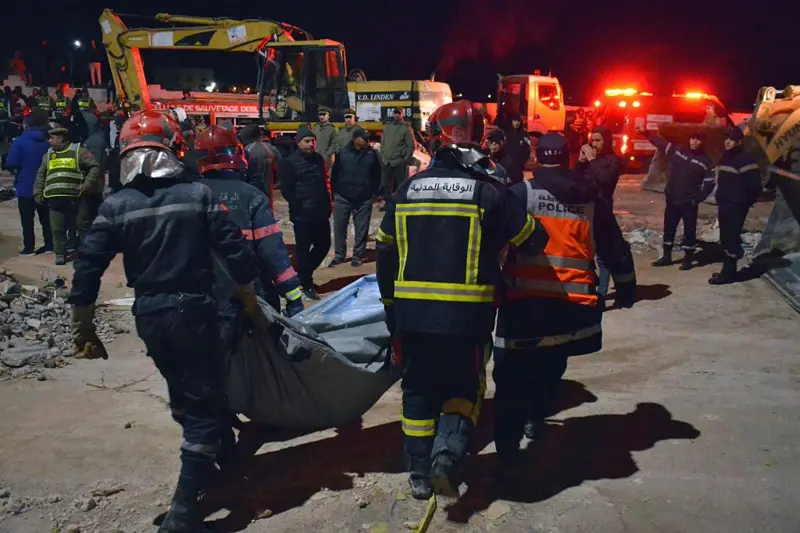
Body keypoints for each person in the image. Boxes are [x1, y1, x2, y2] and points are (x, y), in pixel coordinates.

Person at [67, 110, 259, 533]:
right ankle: (184, 513)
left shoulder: (116, 206)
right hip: (195, 311)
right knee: (204, 404)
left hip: (150, 316)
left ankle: (219, 462)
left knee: (185, 394)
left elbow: (87, 266)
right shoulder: (198, 195)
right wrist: (247, 296)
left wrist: (83, 324)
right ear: (173, 149)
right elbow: (237, 253)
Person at [375, 99, 540, 499]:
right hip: (468, 319)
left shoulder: (407, 190)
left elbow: (384, 253)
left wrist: (391, 309)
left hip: (413, 316)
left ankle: (418, 474)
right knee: (464, 388)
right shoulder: (490, 191)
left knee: (417, 391)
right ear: (479, 141)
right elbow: (532, 238)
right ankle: (445, 458)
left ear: (435, 140)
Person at [494, 133, 636, 470]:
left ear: (537, 157)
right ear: (569, 156)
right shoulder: (589, 197)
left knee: (511, 378)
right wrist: (626, 286)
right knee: (551, 363)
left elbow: (493, 241)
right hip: (569, 303)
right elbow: (613, 245)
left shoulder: (520, 194)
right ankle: (536, 415)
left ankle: (507, 453)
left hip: (522, 301)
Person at [194, 125, 304, 319]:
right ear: (237, 153)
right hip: (249, 295)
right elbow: (272, 251)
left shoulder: (187, 196)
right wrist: (293, 295)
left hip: (201, 297)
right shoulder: (252, 196)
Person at [637, 127, 714, 270]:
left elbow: (709, 184)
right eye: (693, 138)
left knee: (689, 230)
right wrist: (646, 133)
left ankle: (688, 259)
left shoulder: (706, 161)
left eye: (698, 140)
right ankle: (666, 257)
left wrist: (696, 200)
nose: (694, 142)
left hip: (689, 203)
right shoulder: (678, 151)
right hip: (672, 199)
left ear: (703, 142)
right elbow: (660, 143)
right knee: (669, 228)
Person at [278, 124, 332, 300]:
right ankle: (307, 283)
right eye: (307, 141)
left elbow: (323, 184)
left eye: (312, 141)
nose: (310, 144)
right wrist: (299, 205)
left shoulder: (318, 159)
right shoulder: (288, 162)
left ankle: (302, 273)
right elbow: (287, 190)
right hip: (302, 215)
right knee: (303, 249)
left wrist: (328, 205)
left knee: (324, 245)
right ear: (298, 142)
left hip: (320, 212)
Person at [33, 126, 100, 265]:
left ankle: (87, 253)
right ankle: (60, 254)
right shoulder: (48, 155)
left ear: (61, 138)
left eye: (52, 138)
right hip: (55, 198)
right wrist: (38, 192)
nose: (49, 141)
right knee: (57, 228)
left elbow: (94, 166)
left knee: (82, 226)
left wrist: (86, 185)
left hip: (76, 197)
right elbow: (41, 175)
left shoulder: (78, 151)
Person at [574, 125, 624, 296]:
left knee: (603, 255)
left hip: (602, 212)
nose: (594, 144)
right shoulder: (590, 161)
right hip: (585, 211)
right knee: (584, 253)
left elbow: (604, 180)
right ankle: (587, 288)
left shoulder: (614, 160)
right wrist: (580, 162)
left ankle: (602, 294)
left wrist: (592, 160)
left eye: (598, 140)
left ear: (607, 141)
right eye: (592, 140)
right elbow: (574, 178)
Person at [709, 127, 762, 285]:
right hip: (724, 204)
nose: (727, 142)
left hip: (736, 206)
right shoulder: (726, 158)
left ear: (739, 142)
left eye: (731, 139)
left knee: (731, 238)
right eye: (726, 139)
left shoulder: (746, 160)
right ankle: (726, 269)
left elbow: (755, 186)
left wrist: (744, 202)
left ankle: (728, 274)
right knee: (725, 238)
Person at [4, 110, 53, 255]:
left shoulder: (19, 142)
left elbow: (11, 162)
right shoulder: (47, 143)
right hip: (44, 185)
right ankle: (50, 245)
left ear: (26, 125)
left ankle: (29, 247)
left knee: (27, 220)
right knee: (46, 218)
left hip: (25, 185)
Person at [330, 126, 381, 267]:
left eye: (367, 138)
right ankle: (339, 255)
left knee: (361, 229)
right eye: (363, 138)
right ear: (355, 139)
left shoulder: (372, 155)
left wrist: (373, 194)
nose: (366, 141)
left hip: (364, 198)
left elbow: (377, 175)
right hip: (343, 196)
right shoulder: (343, 153)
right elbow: (335, 173)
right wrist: (335, 193)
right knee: (339, 228)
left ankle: (357, 256)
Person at [380, 107, 415, 202]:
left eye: (399, 113)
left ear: (402, 115)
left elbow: (411, 145)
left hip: (399, 161)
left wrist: (406, 159)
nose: (396, 115)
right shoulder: (387, 127)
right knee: (386, 184)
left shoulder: (406, 128)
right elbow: (383, 143)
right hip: (386, 161)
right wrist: (382, 156)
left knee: (401, 184)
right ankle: (388, 203)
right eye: (395, 113)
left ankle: (401, 202)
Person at [238, 124, 278, 205]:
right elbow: (279, 170)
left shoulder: (247, 151)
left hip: (251, 195)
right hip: (267, 195)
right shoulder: (272, 149)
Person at [80, 111, 109, 221]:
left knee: (91, 212)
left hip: (93, 184)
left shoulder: (94, 141)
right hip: (94, 182)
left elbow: (94, 163)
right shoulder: (95, 137)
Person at [502, 113, 531, 182]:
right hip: (507, 166)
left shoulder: (524, 134)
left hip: (518, 166)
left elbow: (527, 151)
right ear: (511, 121)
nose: (517, 123)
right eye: (514, 121)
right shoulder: (506, 134)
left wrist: (521, 162)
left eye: (518, 121)